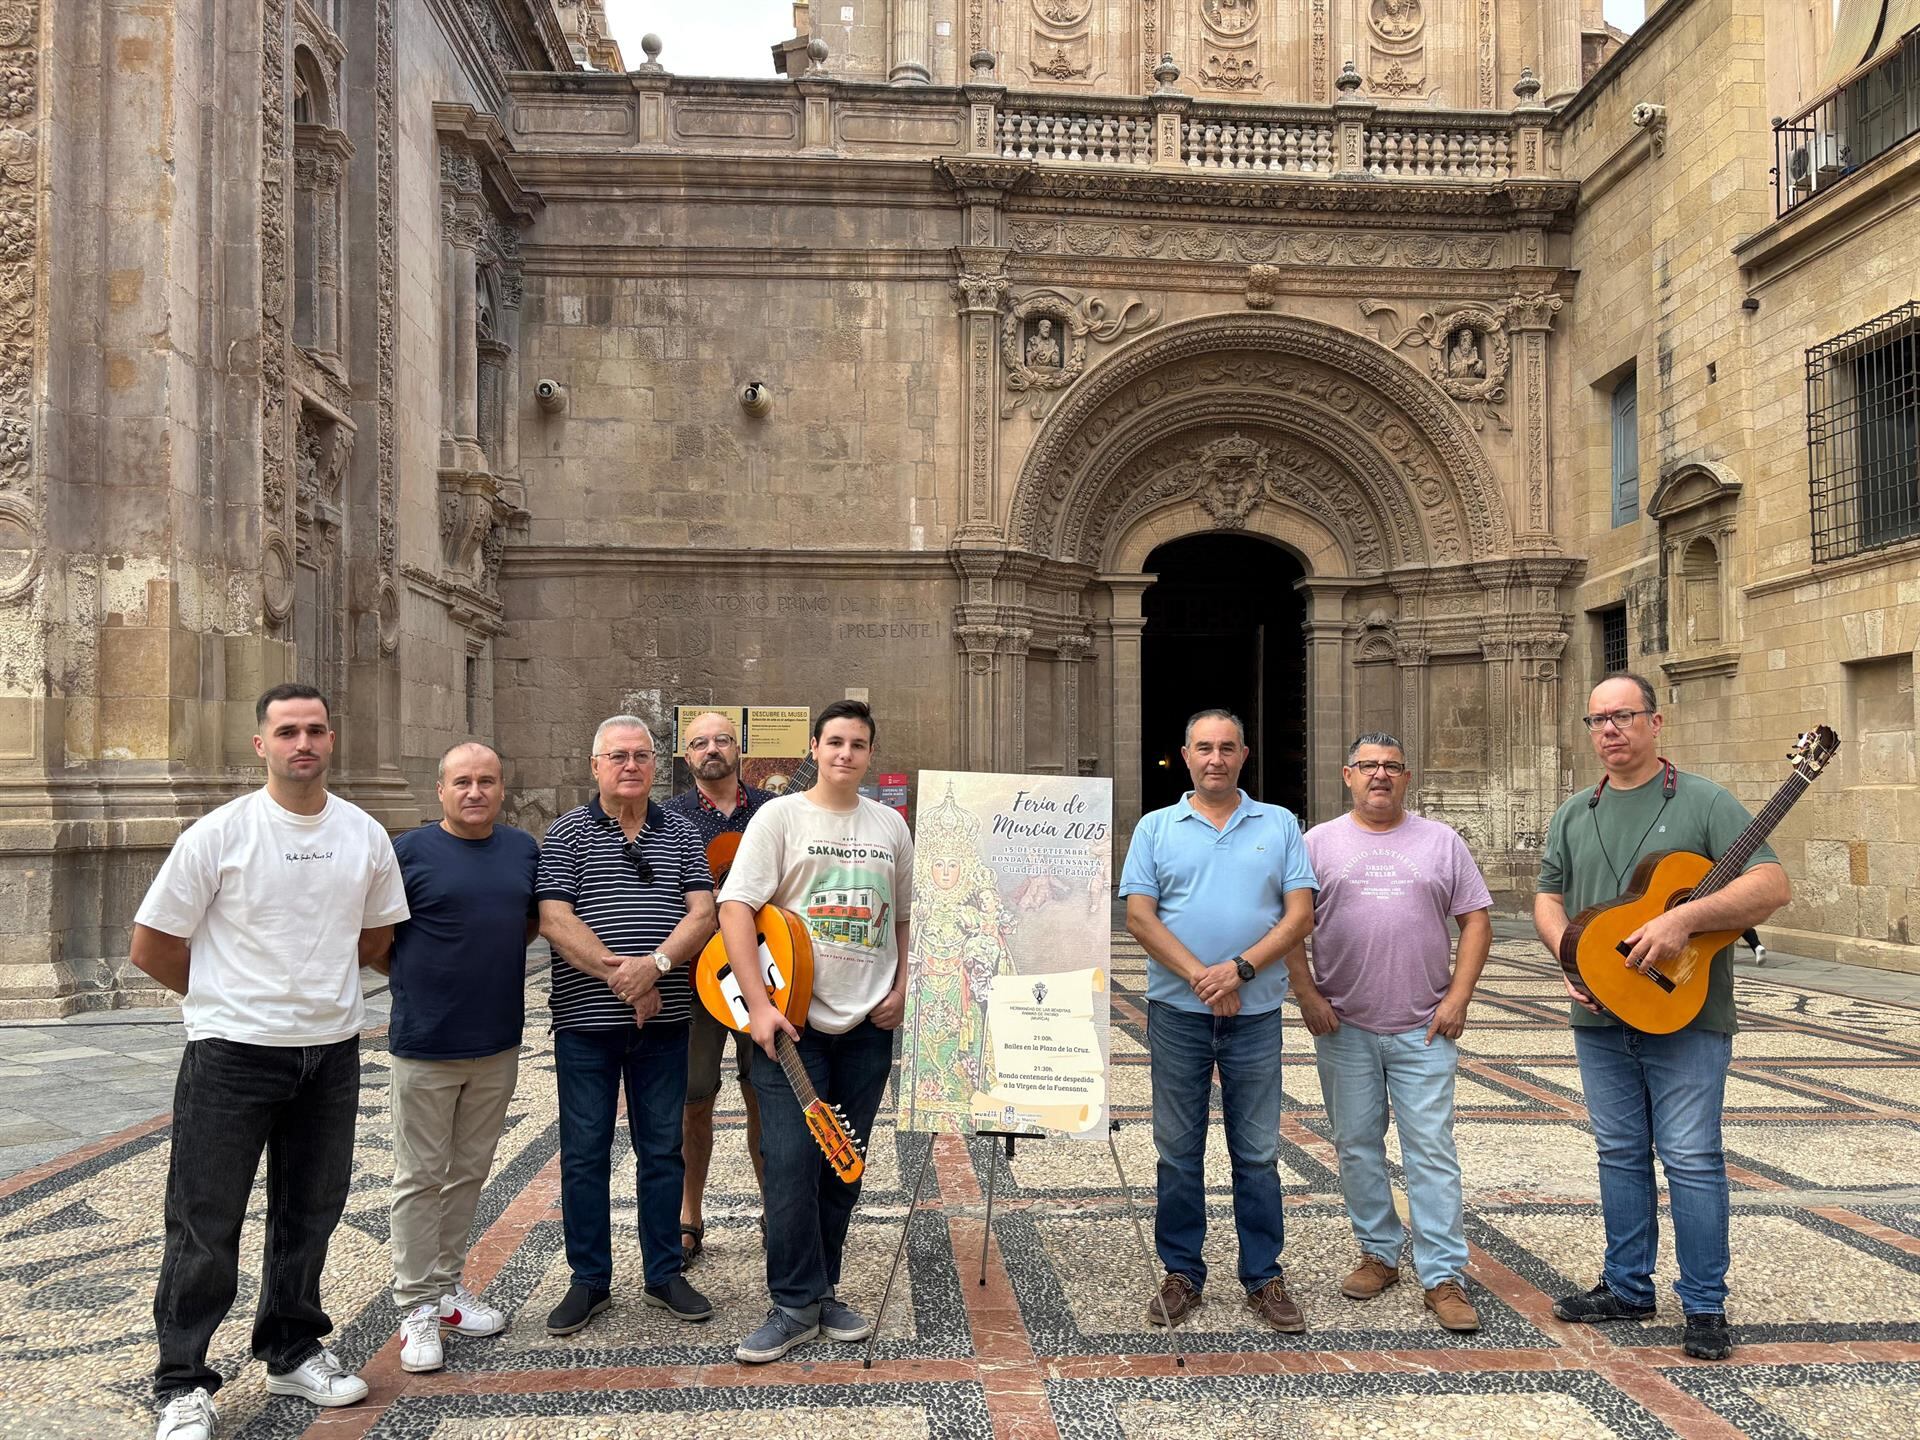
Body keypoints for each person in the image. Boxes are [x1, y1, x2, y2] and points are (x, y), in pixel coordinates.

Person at [130, 684, 410, 1440]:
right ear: (261, 745)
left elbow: (377, 938)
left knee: (310, 1211)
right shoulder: (218, 835)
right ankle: (182, 1381)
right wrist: (227, 998)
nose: (303, 743)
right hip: (231, 1055)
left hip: (330, 1052)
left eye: (315, 729)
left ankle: (290, 1349)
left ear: (331, 739)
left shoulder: (363, 834)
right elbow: (152, 945)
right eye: (287, 731)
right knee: (204, 1220)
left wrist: (313, 995)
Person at [1534, 673, 1791, 1362]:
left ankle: (1704, 1305)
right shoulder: (1574, 811)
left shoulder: (1705, 801)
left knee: (1691, 1157)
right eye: (1598, 719)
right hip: (1600, 1017)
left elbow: (1772, 884)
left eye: (1623, 716)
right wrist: (1569, 957)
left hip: (1688, 1014)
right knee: (1619, 1152)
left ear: (1656, 721)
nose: (1609, 730)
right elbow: (1548, 896)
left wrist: (1685, 918)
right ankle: (1627, 1287)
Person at [717, 700, 913, 1363]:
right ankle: (793, 1302)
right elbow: (736, 909)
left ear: (870, 753)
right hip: (791, 1025)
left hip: (867, 1026)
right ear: (814, 748)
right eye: (835, 742)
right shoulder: (780, 817)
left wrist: (901, 989)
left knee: (842, 1162)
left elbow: (904, 917)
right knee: (791, 1162)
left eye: (858, 744)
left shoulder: (889, 824)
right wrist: (758, 1006)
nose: (845, 754)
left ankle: (821, 1289)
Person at [1117, 708, 1317, 1333]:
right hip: (1178, 1013)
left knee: (1257, 1152)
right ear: (1185, 756)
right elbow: (1140, 917)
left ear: (1243, 755)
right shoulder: (1155, 827)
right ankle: (1182, 1272)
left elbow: (1300, 916)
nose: (1215, 758)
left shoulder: (1279, 823)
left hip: (1254, 1015)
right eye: (1204, 747)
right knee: (1178, 1151)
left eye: (1227, 748)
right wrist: (1205, 978)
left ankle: (1263, 1276)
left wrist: (1240, 971)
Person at [1286, 732, 1492, 1333]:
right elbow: (1289, 925)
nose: (1380, 775)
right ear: (1347, 775)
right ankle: (1378, 1253)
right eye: (1368, 765)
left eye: (1392, 766)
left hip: (1424, 1027)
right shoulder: (1316, 844)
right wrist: (1307, 995)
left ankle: (1443, 1276)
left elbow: (1476, 921)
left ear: (1407, 777)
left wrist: (1458, 998)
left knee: (1431, 1151)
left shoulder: (1441, 841)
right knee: (1356, 1145)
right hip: (1344, 1025)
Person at [535, 716, 717, 1335]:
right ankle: (589, 1281)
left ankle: (664, 1273)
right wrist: (626, 978)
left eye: (641, 755)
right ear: (596, 766)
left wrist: (656, 967)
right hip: (586, 1023)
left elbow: (703, 913)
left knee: (661, 1150)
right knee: (584, 1152)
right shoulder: (567, 832)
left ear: (655, 765)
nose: (630, 765)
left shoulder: (681, 833)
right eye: (618, 756)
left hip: (663, 1023)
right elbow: (555, 920)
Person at [370, 742, 539, 1373]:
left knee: (469, 1171)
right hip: (426, 1041)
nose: (475, 791)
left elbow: (524, 924)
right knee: (419, 1176)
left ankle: (444, 1289)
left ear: (502, 789)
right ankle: (415, 1305)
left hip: (497, 1040)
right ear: (440, 789)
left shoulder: (522, 850)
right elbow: (377, 941)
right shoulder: (409, 852)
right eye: (462, 781)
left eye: (486, 781)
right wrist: (421, 979)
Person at [663, 710, 775, 1263]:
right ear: (686, 755)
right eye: (700, 742)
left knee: (766, 1097)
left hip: (765, 975)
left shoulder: (773, 812)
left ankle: (775, 1210)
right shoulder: (669, 818)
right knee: (694, 1101)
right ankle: (689, 1214)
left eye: (722, 740)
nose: (712, 749)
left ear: (739, 748)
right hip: (694, 981)